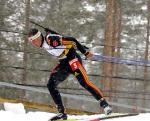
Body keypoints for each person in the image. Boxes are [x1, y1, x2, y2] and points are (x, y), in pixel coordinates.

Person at [28, 28, 112, 121]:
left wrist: (85, 52)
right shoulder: (46, 41)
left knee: (84, 82)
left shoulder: (50, 39)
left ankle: (104, 104)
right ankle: (62, 113)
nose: (34, 44)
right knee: (51, 84)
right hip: (64, 64)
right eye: (32, 42)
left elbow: (72, 40)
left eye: (35, 40)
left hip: (73, 60)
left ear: (39, 37)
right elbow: (61, 39)